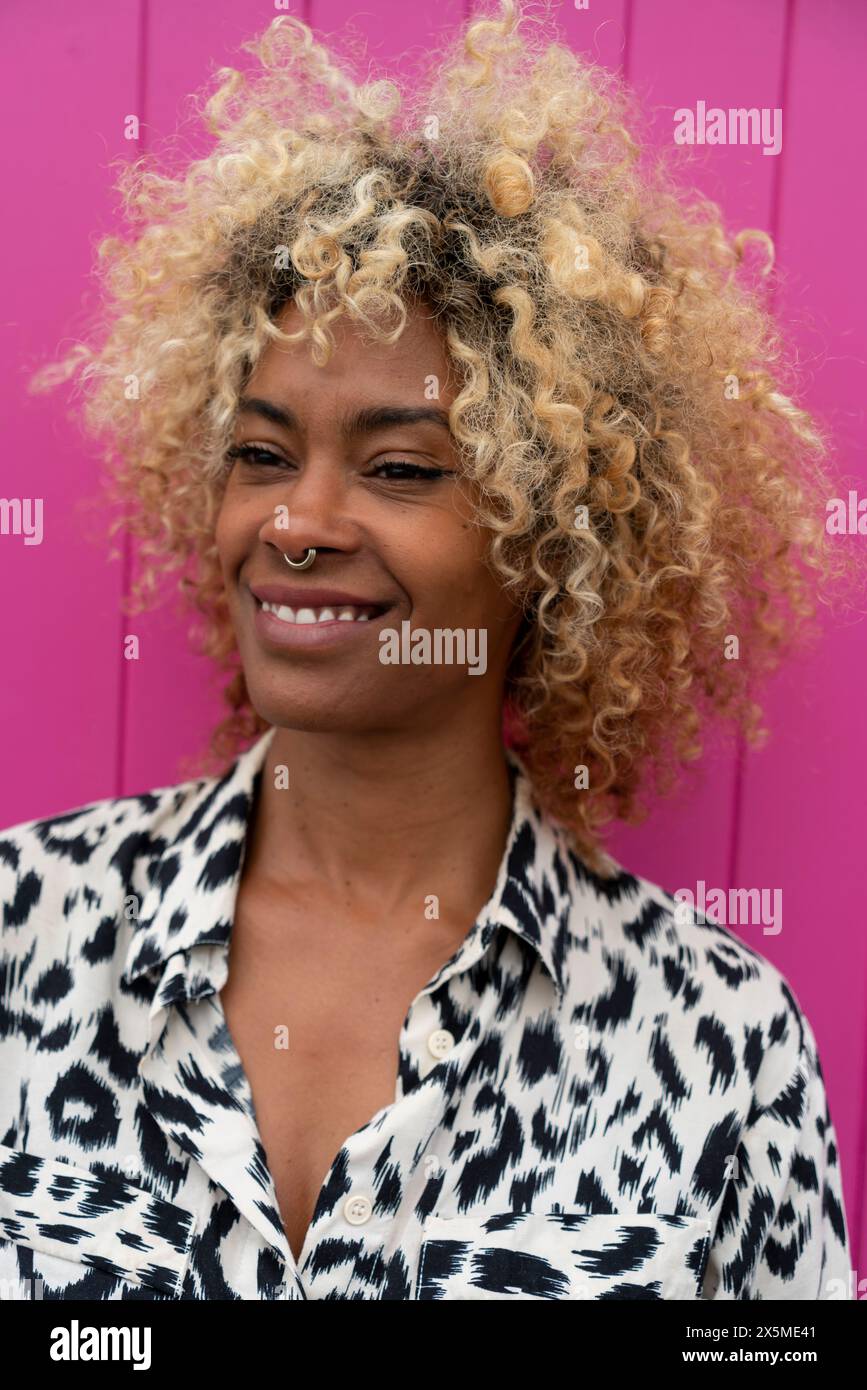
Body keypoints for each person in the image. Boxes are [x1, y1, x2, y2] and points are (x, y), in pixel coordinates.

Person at [0, 0, 856, 1300]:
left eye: (398, 466)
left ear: (549, 536)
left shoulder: (724, 1041)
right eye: (262, 454)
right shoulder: (26, 931)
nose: (296, 522)